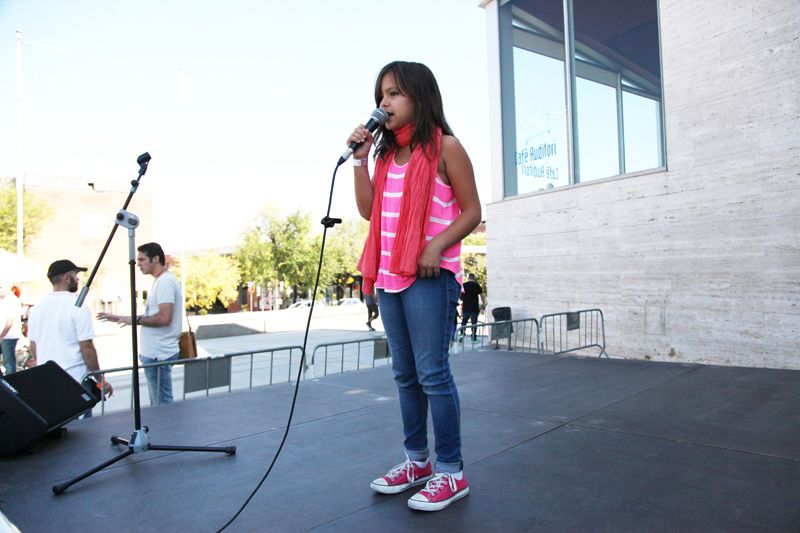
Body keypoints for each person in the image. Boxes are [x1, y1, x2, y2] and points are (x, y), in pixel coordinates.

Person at [348, 61, 481, 511]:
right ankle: (416, 461)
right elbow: (368, 213)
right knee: (405, 375)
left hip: (430, 277)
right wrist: (360, 160)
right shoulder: (384, 156)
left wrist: (435, 245)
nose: (383, 103)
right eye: (380, 95)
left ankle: (451, 471)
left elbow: (471, 211)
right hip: (390, 277)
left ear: (420, 98)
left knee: (433, 374)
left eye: (394, 93)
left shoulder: (447, 147)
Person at [99, 242, 181, 406]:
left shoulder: (165, 282)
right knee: (158, 402)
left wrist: (134, 320)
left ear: (156, 258)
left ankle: (166, 430)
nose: (138, 264)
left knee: (162, 403)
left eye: (142, 260)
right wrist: (119, 317)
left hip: (159, 354)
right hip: (156, 353)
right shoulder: (160, 281)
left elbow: (164, 318)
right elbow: (153, 316)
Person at [26, 260, 113, 408]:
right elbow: (87, 348)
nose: (78, 279)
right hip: (75, 380)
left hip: (48, 379)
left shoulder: (37, 308)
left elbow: (34, 345)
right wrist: (100, 379)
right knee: (83, 429)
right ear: (67, 278)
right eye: (75, 275)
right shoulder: (77, 306)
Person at [0, 281, 23, 375]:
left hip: (8, 336)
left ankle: (10, 385)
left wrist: (1, 336)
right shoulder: (3, 300)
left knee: (8, 364)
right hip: (4, 336)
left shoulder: (12, 301)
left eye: (1, 287)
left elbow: (10, 320)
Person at [459, 273, 485, 342]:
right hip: (474, 308)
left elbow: (460, 295)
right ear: (474, 278)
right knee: (474, 323)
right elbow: (482, 295)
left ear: (468, 278)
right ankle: (473, 337)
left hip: (466, 307)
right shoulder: (477, 285)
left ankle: (461, 335)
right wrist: (484, 304)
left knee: (464, 322)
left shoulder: (464, 285)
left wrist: (464, 299)